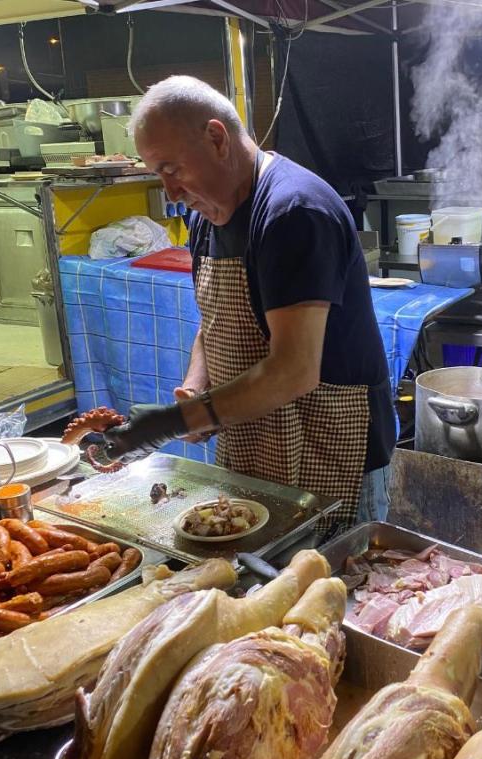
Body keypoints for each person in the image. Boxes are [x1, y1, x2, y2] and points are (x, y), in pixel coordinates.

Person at [101, 76, 395, 528]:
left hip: (330, 442)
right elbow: (214, 319)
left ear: (216, 138)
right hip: (255, 435)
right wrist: (196, 387)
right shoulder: (208, 213)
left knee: (338, 582)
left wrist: (169, 422)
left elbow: (294, 369)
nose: (171, 192)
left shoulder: (293, 213)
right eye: (157, 175)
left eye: (171, 169)